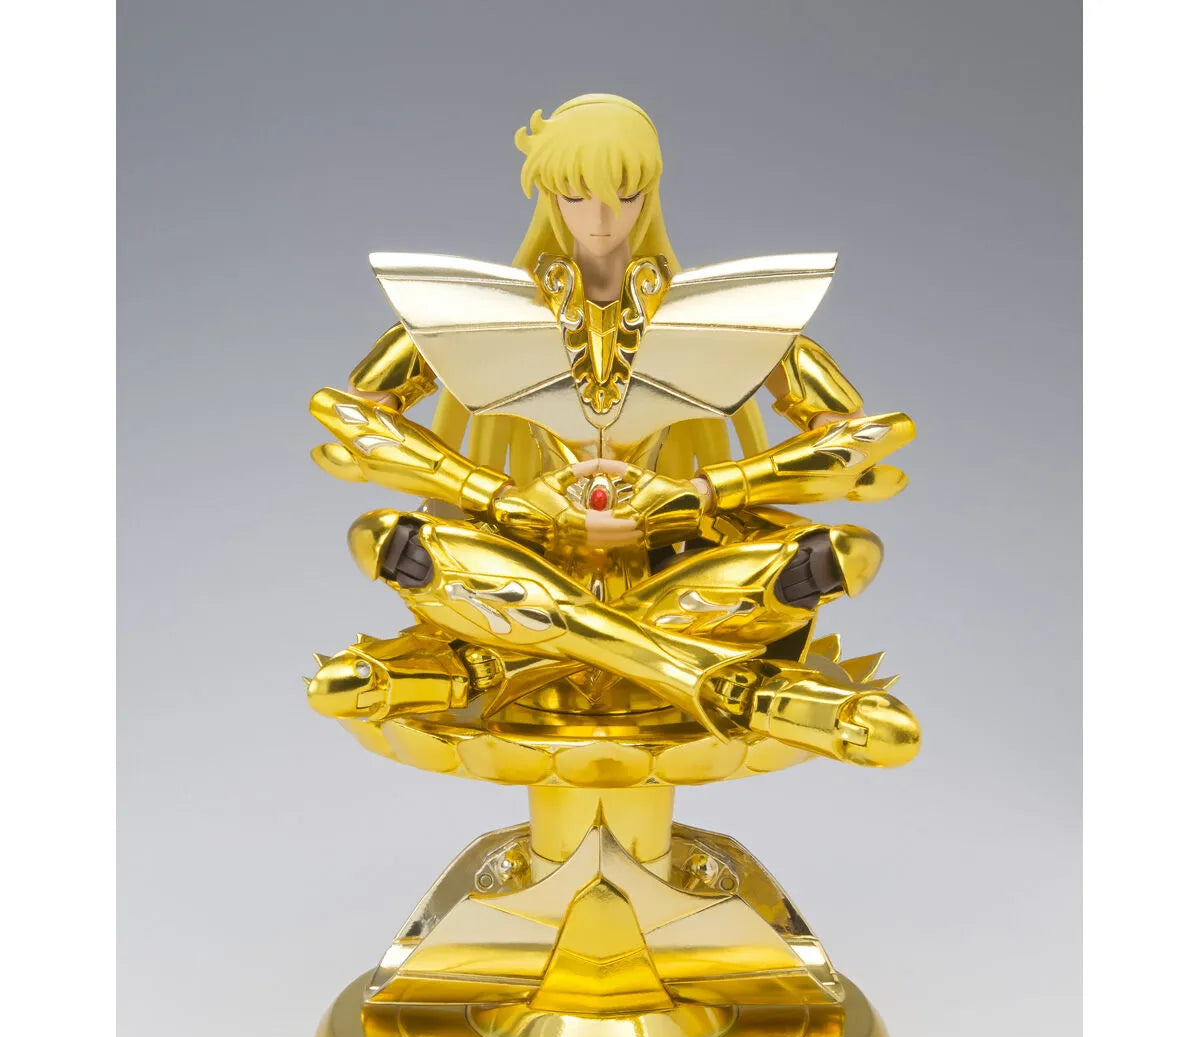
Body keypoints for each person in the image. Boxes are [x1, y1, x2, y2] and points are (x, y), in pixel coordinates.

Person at [305, 94, 919, 769]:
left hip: (645, 576)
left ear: (649, 196)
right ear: (550, 199)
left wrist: (696, 497)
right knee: (386, 538)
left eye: (624, 196)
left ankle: (501, 666)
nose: (600, 218)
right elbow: (353, 415)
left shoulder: (717, 316)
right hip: (528, 561)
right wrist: (500, 501)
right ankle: (726, 684)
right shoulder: (480, 314)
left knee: (843, 551)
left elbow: (854, 437)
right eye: (576, 196)